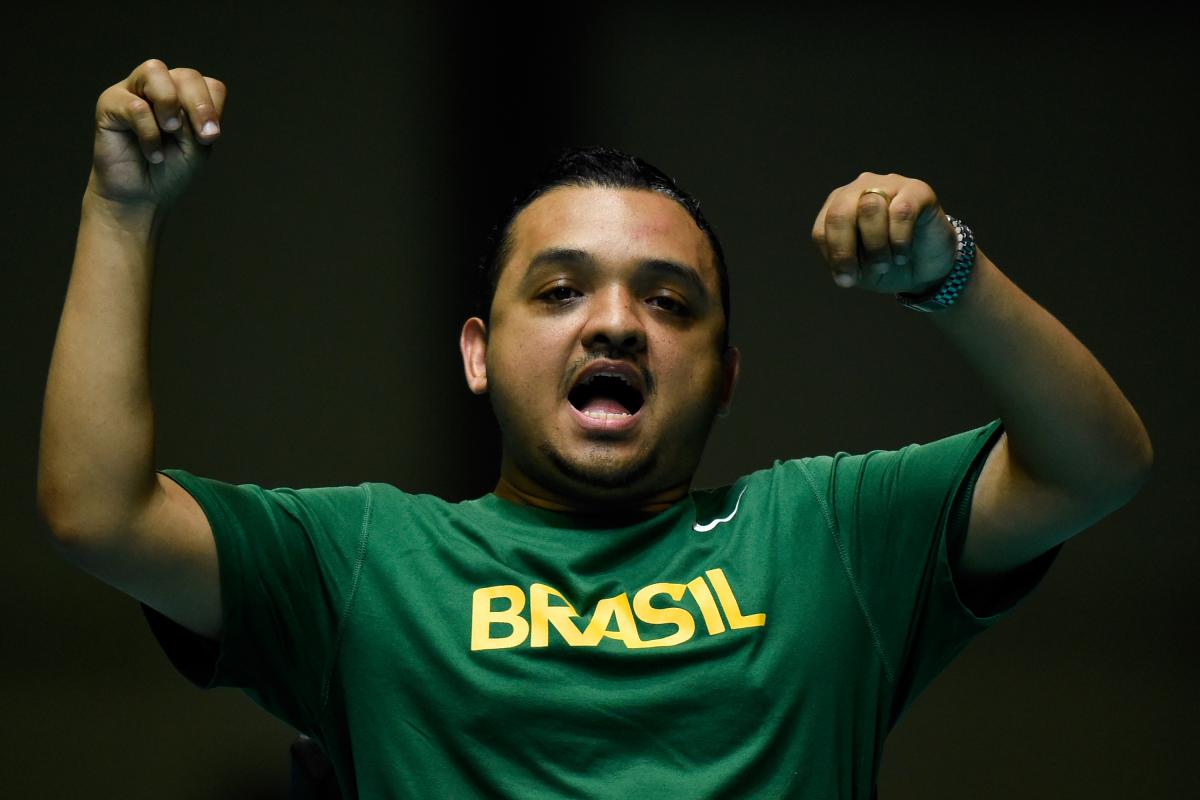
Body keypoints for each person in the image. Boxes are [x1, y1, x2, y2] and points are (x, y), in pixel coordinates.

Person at [38, 60, 1153, 799]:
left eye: (669, 302)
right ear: (477, 352)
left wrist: (950, 274)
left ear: (724, 377)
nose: (616, 320)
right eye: (561, 290)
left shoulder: (830, 533)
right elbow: (99, 513)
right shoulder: (364, 559)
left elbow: (1097, 463)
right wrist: (120, 209)